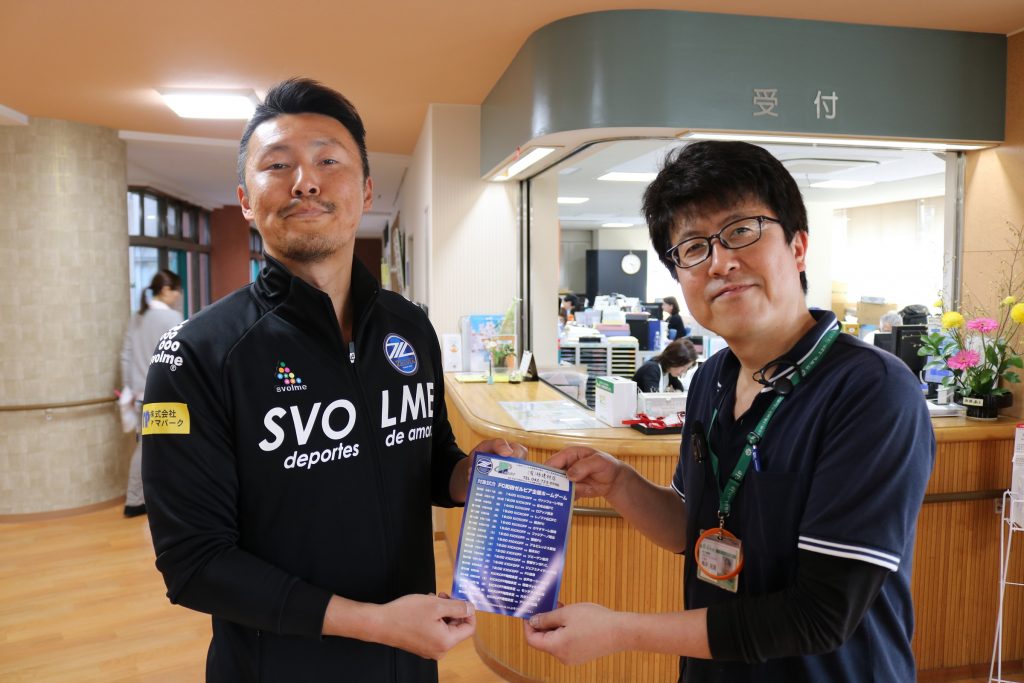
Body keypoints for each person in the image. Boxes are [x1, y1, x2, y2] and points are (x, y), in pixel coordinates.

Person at [141, 78, 525, 682]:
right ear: (245, 200)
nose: (306, 182)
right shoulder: (196, 355)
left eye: (328, 161)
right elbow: (193, 563)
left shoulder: (410, 326)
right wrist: (375, 623)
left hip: (410, 659)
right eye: (278, 165)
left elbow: (429, 459)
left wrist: (468, 476)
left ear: (366, 189)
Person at [524, 141, 935, 682]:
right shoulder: (712, 378)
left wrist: (623, 631)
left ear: (798, 246)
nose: (720, 262)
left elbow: (819, 616)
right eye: (694, 247)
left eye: (741, 231)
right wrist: (620, 482)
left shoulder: (872, 391)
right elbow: (690, 527)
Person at [118, 269, 183, 517]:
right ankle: (136, 500)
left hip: (140, 395)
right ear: (166, 290)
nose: (178, 296)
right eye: (177, 291)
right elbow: (179, 359)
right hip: (165, 396)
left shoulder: (137, 317)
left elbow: (126, 355)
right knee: (162, 448)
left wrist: (132, 387)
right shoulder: (172, 318)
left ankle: (146, 498)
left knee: (148, 446)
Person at [633, 338, 698, 392]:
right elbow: (653, 399)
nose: (684, 371)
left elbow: (679, 387)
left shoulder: (669, 370)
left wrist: (675, 392)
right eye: (683, 367)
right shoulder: (652, 369)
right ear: (674, 360)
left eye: (687, 368)